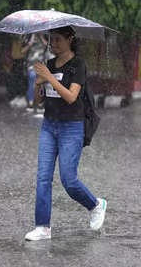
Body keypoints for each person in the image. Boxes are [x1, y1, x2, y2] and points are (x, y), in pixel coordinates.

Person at [24, 26, 107, 241]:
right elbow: (37, 101)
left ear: (70, 39)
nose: (54, 43)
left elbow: (71, 96)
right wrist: (37, 82)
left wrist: (49, 78)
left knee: (69, 180)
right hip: (49, 126)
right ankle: (43, 226)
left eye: (58, 39)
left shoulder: (78, 65)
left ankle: (96, 204)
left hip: (71, 127)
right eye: (51, 39)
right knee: (43, 178)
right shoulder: (49, 65)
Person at [25, 33, 52, 113]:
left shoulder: (45, 36)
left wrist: (41, 37)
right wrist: (30, 44)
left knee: (41, 84)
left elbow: (48, 47)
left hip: (41, 65)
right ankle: (30, 103)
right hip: (31, 65)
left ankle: (40, 104)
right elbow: (22, 50)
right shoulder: (29, 36)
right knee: (32, 83)